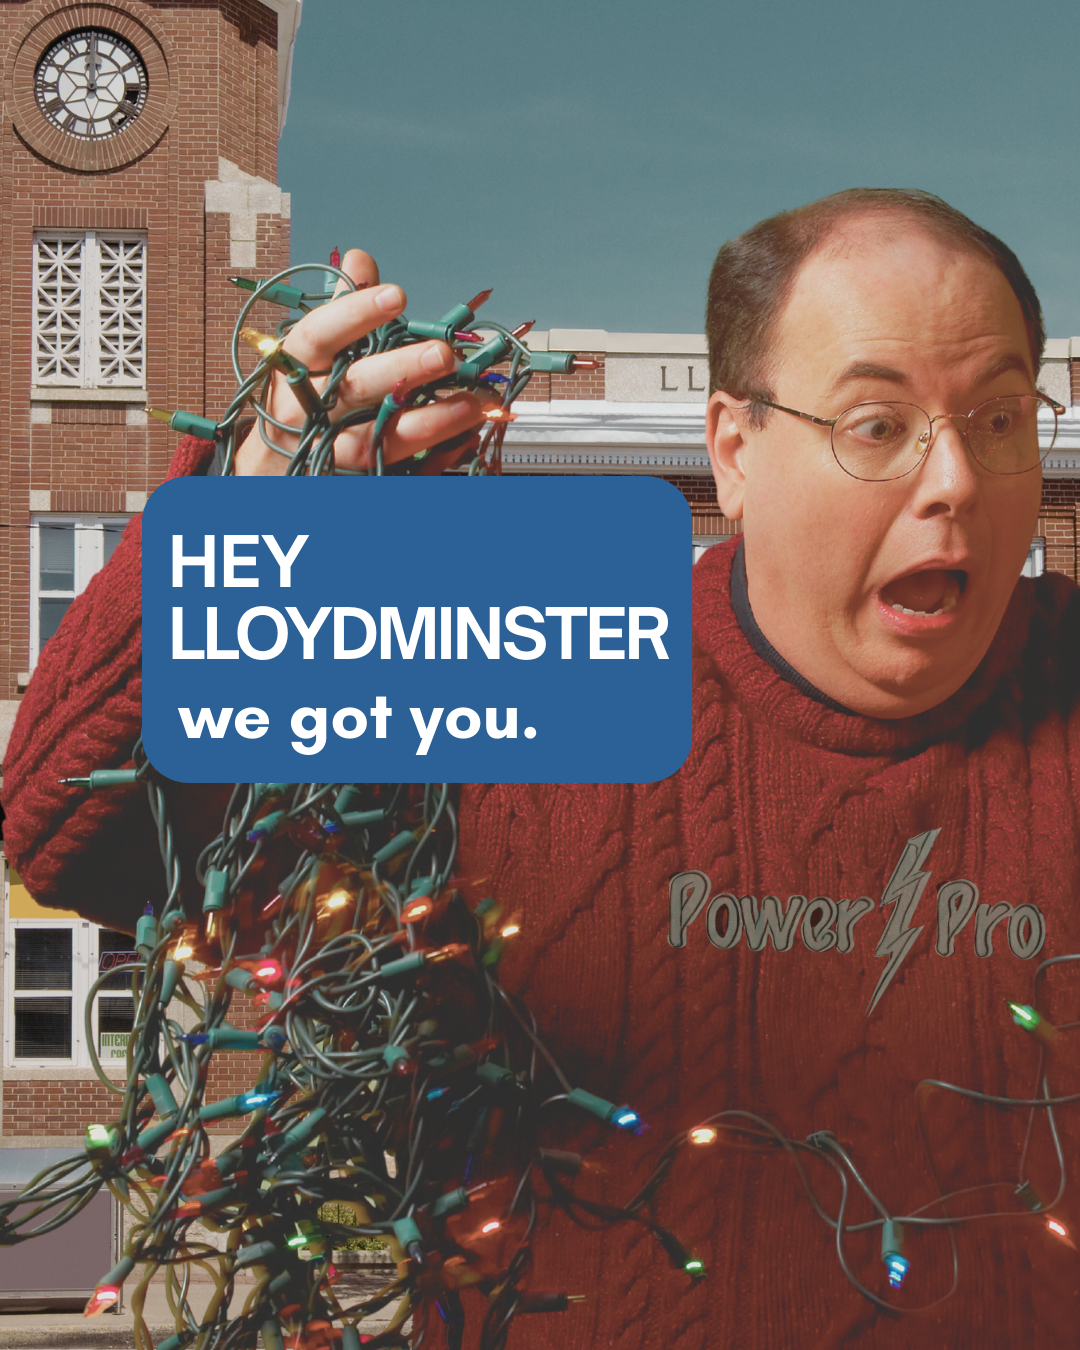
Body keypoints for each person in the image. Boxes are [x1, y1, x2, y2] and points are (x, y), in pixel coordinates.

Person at [5, 188, 1080, 1348]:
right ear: (735, 449)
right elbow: (74, 829)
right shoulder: (543, 644)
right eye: (877, 425)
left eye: (1001, 418)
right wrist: (240, 532)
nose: (957, 479)